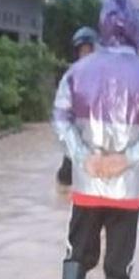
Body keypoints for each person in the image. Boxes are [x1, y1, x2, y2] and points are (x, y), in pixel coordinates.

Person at [53, 0, 139, 279]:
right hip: (128, 189)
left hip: (87, 185)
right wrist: (127, 159)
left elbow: (60, 120)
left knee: (77, 254)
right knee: (119, 266)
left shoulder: (76, 72)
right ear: (135, 28)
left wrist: (84, 158)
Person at [56, 27, 98, 188]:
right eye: (82, 51)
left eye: (89, 51)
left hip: (98, 136)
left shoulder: (104, 75)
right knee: (66, 178)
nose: (86, 55)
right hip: (75, 134)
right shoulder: (70, 76)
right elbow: (61, 110)